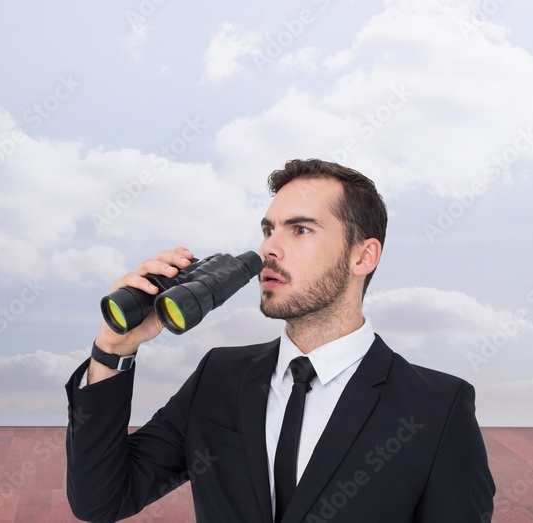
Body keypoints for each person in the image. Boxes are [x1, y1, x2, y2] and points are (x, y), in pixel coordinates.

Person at [64, 159, 495, 522]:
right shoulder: (220, 376)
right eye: (269, 229)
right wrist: (114, 351)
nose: (270, 248)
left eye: (300, 230)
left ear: (363, 256)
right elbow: (101, 500)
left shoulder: (437, 407)